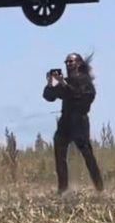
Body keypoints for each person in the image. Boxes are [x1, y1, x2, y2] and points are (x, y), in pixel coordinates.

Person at [43, 52, 104, 194]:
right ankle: (63, 188)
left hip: (79, 121)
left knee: (87, 154)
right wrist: (50, 84)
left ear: (79, 63)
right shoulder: (66, 81)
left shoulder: (85, 81)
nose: (68, 64)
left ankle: (99, 187)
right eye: (67, 62)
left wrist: (64, 84)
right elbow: (49, 97)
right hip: (65, 120)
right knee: (59, 151)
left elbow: (78, 95)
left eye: (71, 61)